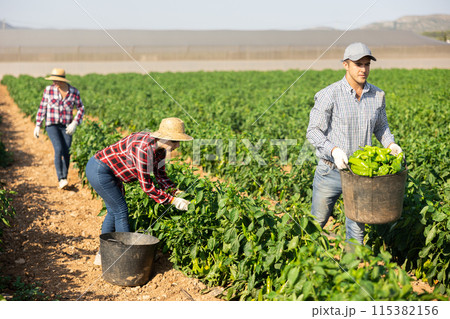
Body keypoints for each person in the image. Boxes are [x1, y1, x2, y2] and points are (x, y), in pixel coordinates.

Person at [306, 42, 403, 246]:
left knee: (357, 229)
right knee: (316, 223)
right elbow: (313, 131)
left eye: (367, 64)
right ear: (345, 65)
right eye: (358, 64)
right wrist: (333, 150)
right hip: (330, 171)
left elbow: (381, 126)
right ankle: (307, 267)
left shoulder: (377, 95)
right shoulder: (329, 94)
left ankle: (351, 274)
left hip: (360, 175)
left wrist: (390, 143)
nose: (363, 69)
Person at [85, 117, 193, 265]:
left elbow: (161, 176)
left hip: (111, 173)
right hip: (99, 170)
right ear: (165, 137)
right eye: (175, 141)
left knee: (113, 211)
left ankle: (102, 255)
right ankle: (126, 258)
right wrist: (173, 201)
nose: (178, 145)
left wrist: (176, 192)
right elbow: (147, 187)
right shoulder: (143, 149)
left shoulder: (160, 150)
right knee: (121, 210)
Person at [34, 68, 85, 189]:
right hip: (51, 124)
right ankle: (60, 178)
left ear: (62, 80)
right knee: (58, 149)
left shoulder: (73, 92)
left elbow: (81, 108)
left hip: (66, 126)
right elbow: (42, 108)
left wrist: (75, 123)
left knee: (67, 151)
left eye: (56, 80)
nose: (54, 83)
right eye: (53, 80)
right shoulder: (49, 90)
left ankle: (65, 178)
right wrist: (38, 124)